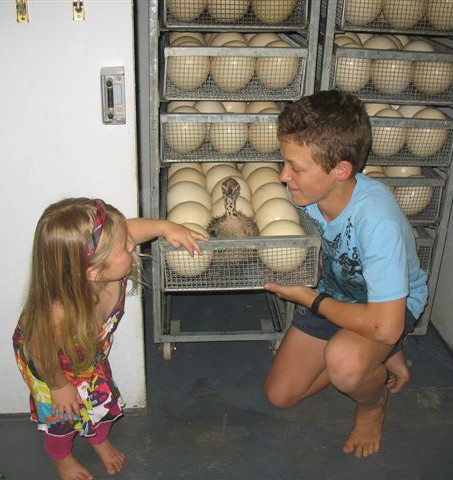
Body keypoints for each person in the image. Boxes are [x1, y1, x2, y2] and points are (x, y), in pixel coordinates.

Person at [263, 90, 428, 458]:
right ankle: (381, 355)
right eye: (284, 162)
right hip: (339, 296)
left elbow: (384, 324)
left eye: (296, 168)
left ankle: (372, 405)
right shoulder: (306, 193)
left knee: (345, 363)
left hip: (387, 307)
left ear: (341, 170)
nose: (283, 175)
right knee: (281, 395)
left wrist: (310, 299)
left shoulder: (377, 221)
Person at [13, 197, 209, 480]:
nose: (132, 244)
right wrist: (58, 386)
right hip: (49, 365)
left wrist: (166, 227)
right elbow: (41, 352)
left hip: (87, 356)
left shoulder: (103, 266)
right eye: (126, 246)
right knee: (61, 418)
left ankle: (98, 439)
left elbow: (132, 229)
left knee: (102, 401)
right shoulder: (56, 313)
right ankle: (61, 457)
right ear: (94, 272)